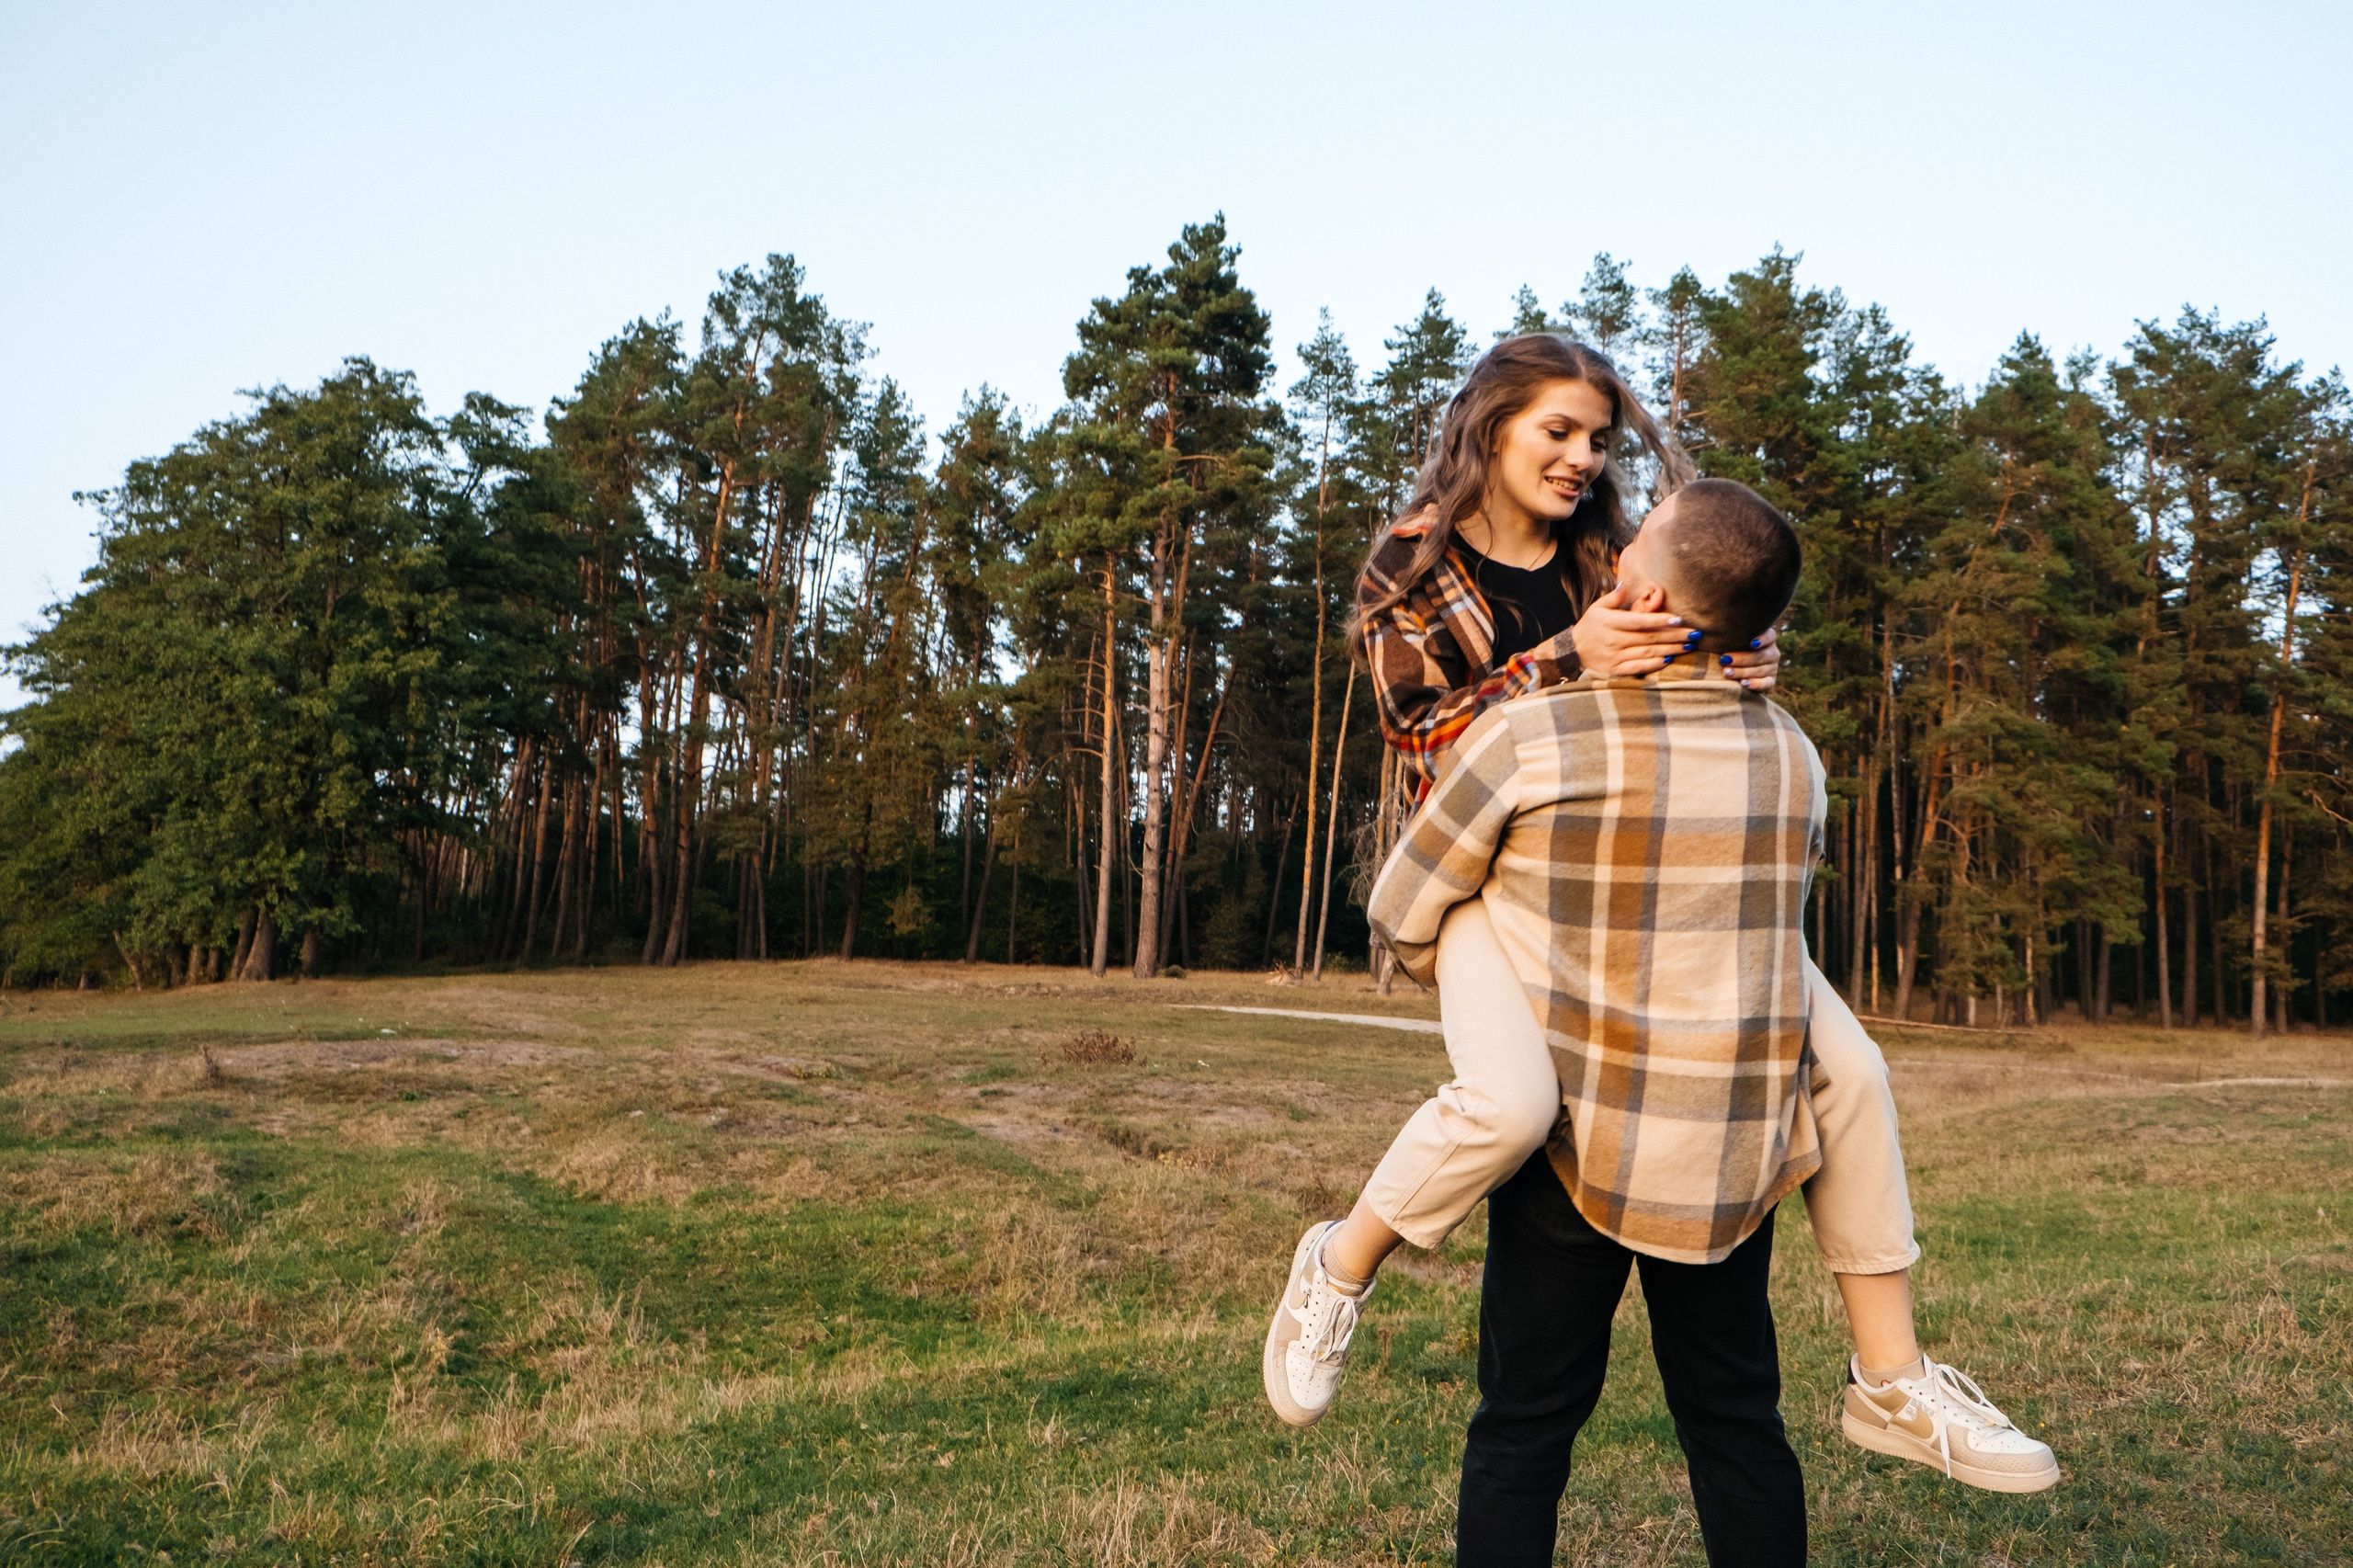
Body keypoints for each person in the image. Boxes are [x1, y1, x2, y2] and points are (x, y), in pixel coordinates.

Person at [1259, 336, 2059, 1502]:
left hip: (1649, 869)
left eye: (1598, 437)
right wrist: (1561, 656)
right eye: (1559, 432)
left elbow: (1700, 617)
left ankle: (1891, 1375)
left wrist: (1745, 648)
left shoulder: (1604, 544)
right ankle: (1338, 1263)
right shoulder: (1412, 562)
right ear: (1489, 426)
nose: (1585, 458)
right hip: (1494, 871)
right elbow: (1420, 733)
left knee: (1851, 1067)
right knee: (1514, 1103)